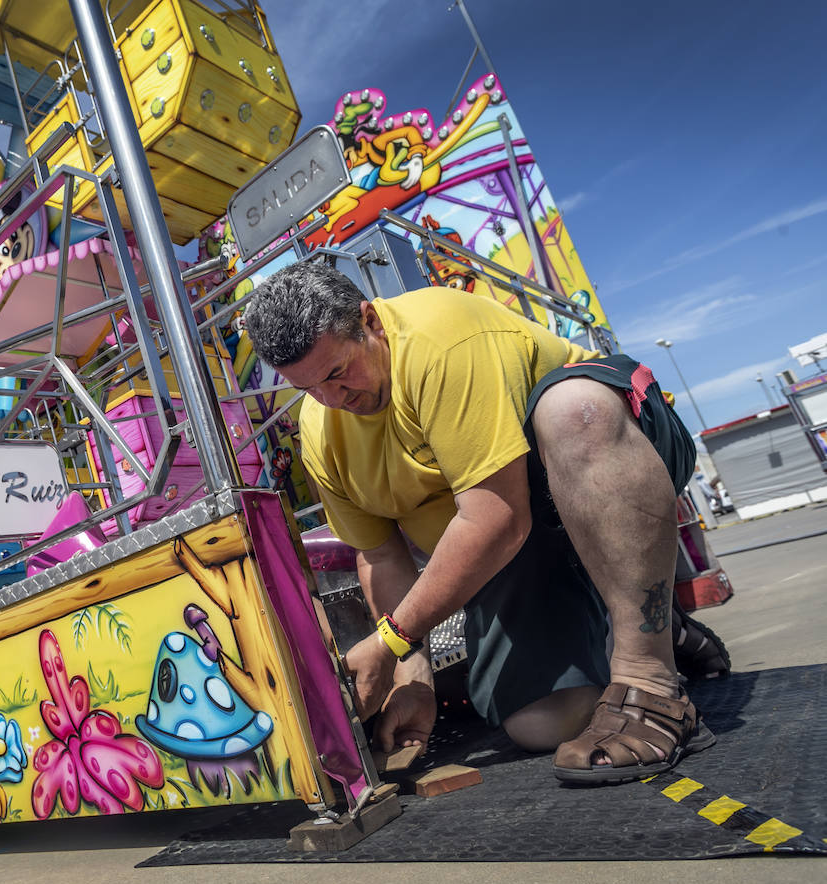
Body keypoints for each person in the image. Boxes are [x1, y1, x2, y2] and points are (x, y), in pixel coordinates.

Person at [242, 260, 721, 784]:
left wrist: (387, 643)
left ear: (370, 322)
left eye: (337, 373)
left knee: (572, 409)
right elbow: (380, 555)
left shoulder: (440, 340)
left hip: (613, 445)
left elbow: (498, 517)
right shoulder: (321, 433)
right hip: (516, 549)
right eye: (309, 388)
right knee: (544, 724)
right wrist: (412, 673)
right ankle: (644, 619)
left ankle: (650, 679)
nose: (335, 400)